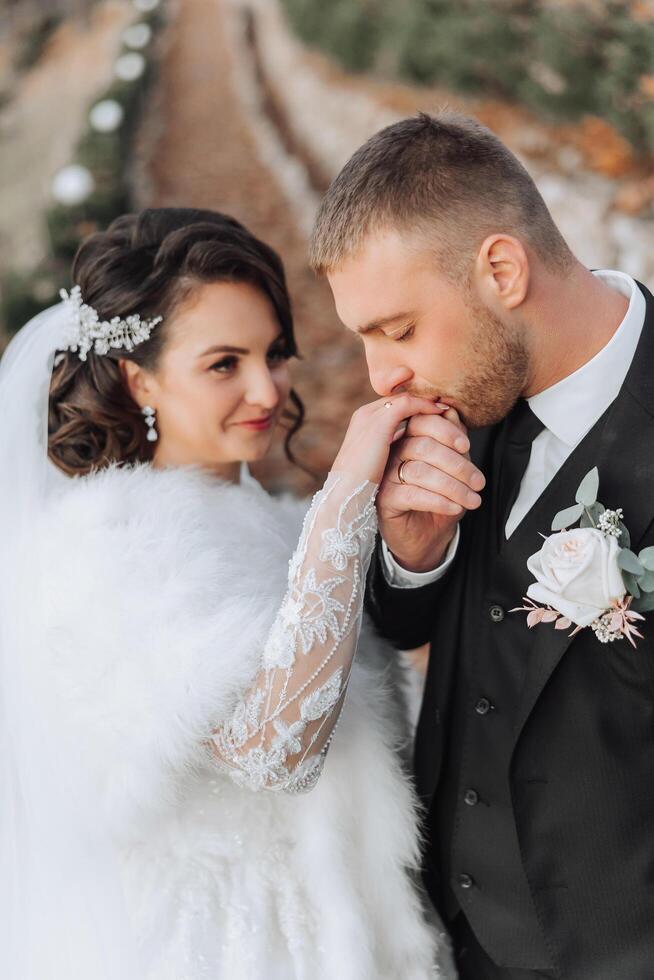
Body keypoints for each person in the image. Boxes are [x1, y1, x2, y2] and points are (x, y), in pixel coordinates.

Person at [0, 207, 450, 980]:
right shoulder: (109, 545)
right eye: (223, 363)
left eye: (274, 353)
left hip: (353, 926)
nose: (265, 388)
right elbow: (274, 751)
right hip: (229, 946)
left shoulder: (273, 523)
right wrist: (345, 500)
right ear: (139, 377)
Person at [309, 111, 654, 980]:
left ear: (501, 269)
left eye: (396, 330)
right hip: (454, 941)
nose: (380, 376)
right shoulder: (462, 404)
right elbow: (403, 623)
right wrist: (410, 550)